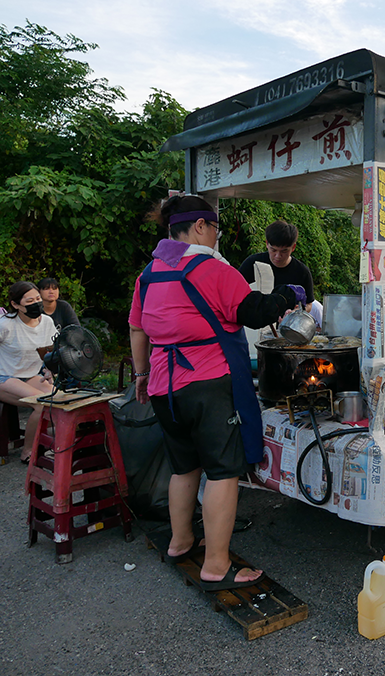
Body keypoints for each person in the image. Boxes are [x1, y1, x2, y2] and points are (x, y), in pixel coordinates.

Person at [129, 195, 300, 591]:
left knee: (184, 466)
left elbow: (137, 328)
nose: (216, 238)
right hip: (207, 384)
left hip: (162, 385)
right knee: (223, 472)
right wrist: (289, 296)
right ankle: (216, 565)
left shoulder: (150, 273)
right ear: (202, 227)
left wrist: (140, 374)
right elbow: (254, 311)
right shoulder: (208, 268)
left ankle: (181, 541)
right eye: (216, 230)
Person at [0, 282, 56, 462]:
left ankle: (53, 445)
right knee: (40, 404)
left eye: (38, 299)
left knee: (59, 400)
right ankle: (28, 452)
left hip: (31, 375)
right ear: (16, 305)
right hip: (5, 377)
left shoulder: (46, 321)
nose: (36, 304)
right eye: (29, 300)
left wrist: (49, 371)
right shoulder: (6, 325)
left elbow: (49, 352)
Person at [238, 220, 313, 312]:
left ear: (293, 247)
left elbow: (309, 304)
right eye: (273, 250)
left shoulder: (302, 272)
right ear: (266, 244)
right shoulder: (252, 264)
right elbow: (234, 291)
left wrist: (296, 313)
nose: (278, 256)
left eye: (284, 251)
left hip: (286, 323)